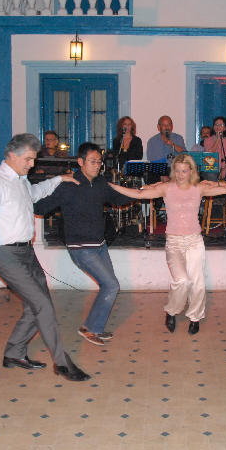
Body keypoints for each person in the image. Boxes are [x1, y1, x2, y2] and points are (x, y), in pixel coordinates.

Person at [0, 133, 89, 382]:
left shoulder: (20, 180)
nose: (32, 164)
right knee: (42, 305)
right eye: (28, 159)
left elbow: (34, 193)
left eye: (33, 159)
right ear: (12, 155)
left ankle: (14, 353)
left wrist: (59, 179)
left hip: (26, 252)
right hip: (4, 253)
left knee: (38, 305)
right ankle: (62, 363)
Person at [109, 154, 226, 335]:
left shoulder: (199, 188)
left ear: (191, 171)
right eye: (178, 171)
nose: (181, 175)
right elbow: (138, 193)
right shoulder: (166, 188)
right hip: (174, 242)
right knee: (181, 281)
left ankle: (195, 317)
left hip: (194, 241)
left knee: (198, 283)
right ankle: (172, 310)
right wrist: (111, 186)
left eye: (184, 171)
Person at [32, 142, 135, 346]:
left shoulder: (100, 183)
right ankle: (92, 329)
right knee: (111, 285)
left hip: (99, 245)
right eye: (93, 161)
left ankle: (91, 327)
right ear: (81, 162)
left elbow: (118, 198)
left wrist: (141, 192)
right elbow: (41, 208)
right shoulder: (69, 186)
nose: (97, 165)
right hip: (81, 248)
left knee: (109, 285)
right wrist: (22, 201)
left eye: (99, 162)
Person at [203, 116, 226, 181]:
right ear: (213, 127)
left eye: (220, 125)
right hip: (211, 168)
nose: (218, 126)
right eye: (216, 124)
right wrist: (218, 139)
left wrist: (225, 169)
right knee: (211, 174)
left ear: (225, 128)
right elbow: (209, 155)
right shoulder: (207, 140)